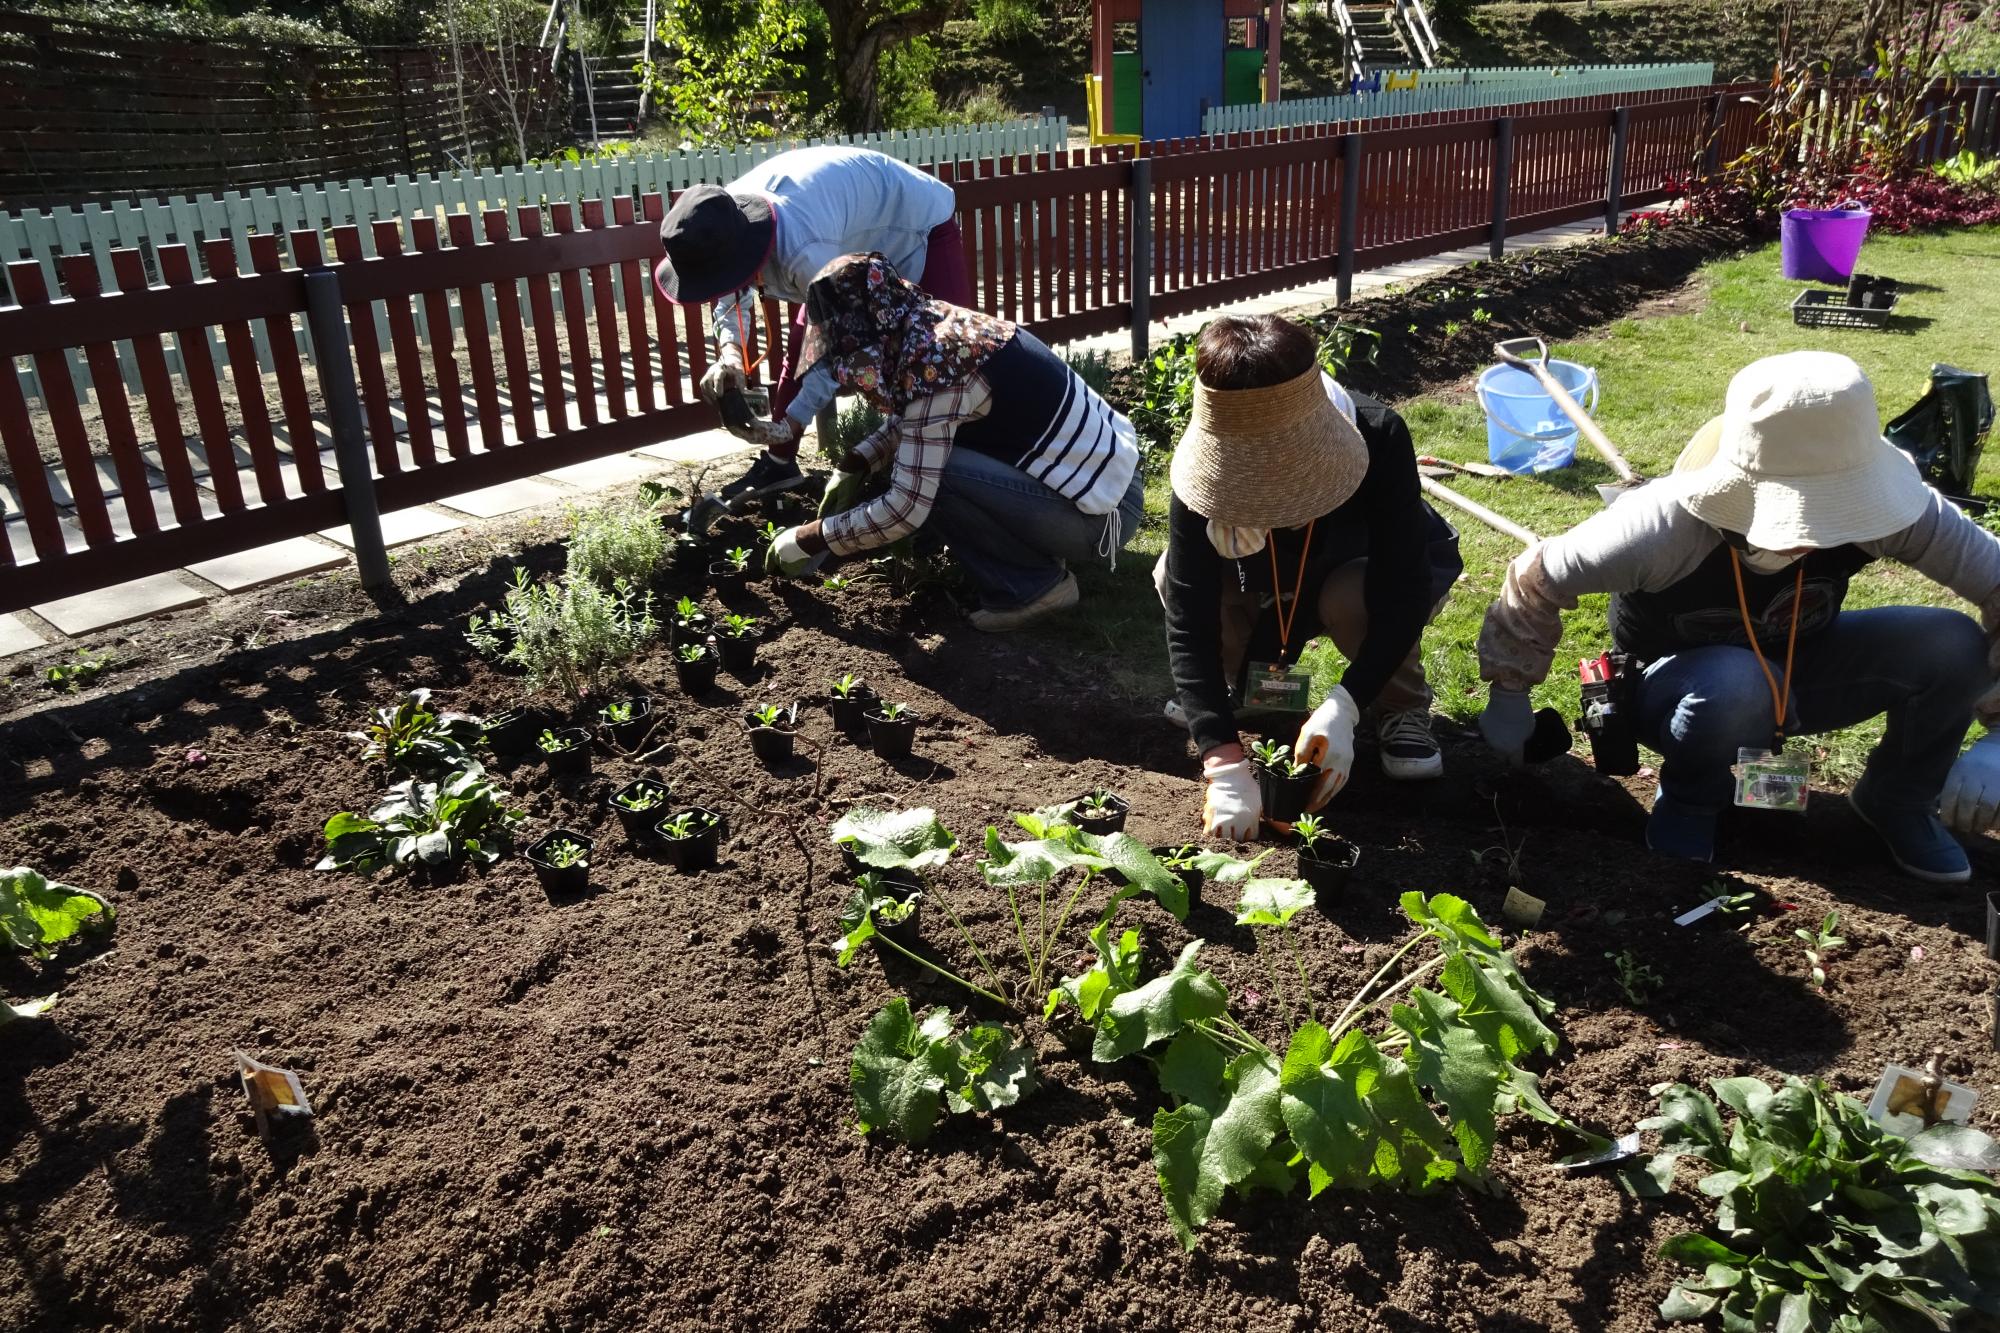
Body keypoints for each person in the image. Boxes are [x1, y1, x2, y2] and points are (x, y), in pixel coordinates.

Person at [1477, 350, 2000, 883]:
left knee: (1953, 645)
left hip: (1801, 664)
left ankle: (1897, 800)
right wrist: (1510, 692)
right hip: (1680, 691)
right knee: (1738, 681)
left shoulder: (1888, 509)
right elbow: (1536, 576)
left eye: (1835, 511)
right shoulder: (1660, 529)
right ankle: (1691, 799)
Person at [1158, 314, 1463, 842]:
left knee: (1351, 596)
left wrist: (1347, 703)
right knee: (1173, 573)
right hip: (1257, 575)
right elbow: (1189, 615)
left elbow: (1403, 587)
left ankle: (1401, 706)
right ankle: (1238, 693)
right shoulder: (1205, 460)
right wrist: (1224, 762)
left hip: (1354, 572)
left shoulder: (1378, 434)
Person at [763, 253, 1146, 632]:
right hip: (1106, 486)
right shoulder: (932, 330)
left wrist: (811, 537)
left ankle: (1034, 587)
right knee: (928, 462)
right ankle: (1021, 561)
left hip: (1102, 519)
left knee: (935, 475)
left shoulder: (937, 369)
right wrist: (858, 462)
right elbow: (920, 418)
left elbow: (906, 507)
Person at [652, 146, 972, 504]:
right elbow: (729, 291)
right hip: (845, 228)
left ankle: (957, 484)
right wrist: (730, 356)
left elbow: (844, 348)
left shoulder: (804, 251)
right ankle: (779, 464)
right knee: (804, 341)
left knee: (947, 359)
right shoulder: (719, 220)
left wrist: (792, 419)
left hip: (915, 221)